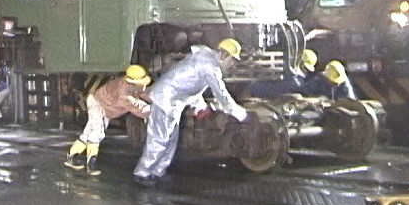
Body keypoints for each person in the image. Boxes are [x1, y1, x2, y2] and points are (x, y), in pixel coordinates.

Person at [133, 38, 248, 186]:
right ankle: (142, 173)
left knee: (171, 138)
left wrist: (200, 105)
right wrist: (241, 114)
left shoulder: (205, 59)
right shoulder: (210, 66)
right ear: (224, 55)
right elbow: (221, 94)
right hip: (165, 99)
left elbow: (189, 84)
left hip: (174, 101)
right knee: (160, 138)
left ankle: (157, 172)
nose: (232, 64)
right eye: (232, 60)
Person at [64, 65, 152, 176]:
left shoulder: (133, 85)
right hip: (98, 104)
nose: (144, 84)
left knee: (88, 133)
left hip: (102, 105)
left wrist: (155, 100)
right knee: (97, 133)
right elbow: (134, 105)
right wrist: (152, 109)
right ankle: (90, 166)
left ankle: (70, 158)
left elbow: (144, 94)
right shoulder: (123, 90)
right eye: (142, 82)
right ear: (134, 81)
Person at [250, 48, 318, 99]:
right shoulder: (292, 78)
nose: (304, 70)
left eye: (306, 69)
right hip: (259, 91)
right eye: (303, 67)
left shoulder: (298, 80)